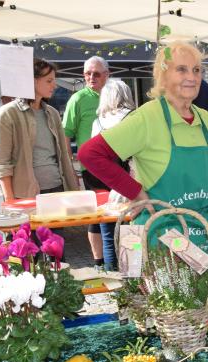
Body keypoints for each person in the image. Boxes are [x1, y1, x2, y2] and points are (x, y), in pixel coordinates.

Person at [79, 41, 208, 292]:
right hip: (166, 235)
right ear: (163, 75)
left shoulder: (206, 120)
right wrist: (136, 193)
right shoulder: (148, 117)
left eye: (196, 70)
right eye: (181, 69)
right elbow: (90, 154)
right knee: (173, 313)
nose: (192, 77)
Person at [0, 58, 79, 201]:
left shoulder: (52, 113)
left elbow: (63, 155)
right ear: (32, 81)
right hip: (26, 194)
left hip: (58, 188)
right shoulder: (8, 113)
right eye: (49, 81)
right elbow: (2, 163)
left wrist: (72, 186)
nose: (55, 85)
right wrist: (10, 200)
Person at [63, 56, 110, 267]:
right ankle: (100, 261)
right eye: (87, 73)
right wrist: (69, 167)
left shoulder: (114, 95)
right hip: (92, 167)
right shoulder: (78, 99)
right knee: (96, 215)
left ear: (107, 75)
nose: (91, 77)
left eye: (96, 73)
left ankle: (121, 257)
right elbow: (66, 135)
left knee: (121, 212)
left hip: (118, 164)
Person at [86, 79, 136, 271]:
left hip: (105, 183)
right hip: (130, 180)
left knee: (107, 234)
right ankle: (132, 275)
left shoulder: (97, 122)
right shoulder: (133, 117)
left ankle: (112, 275)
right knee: (131, 232)